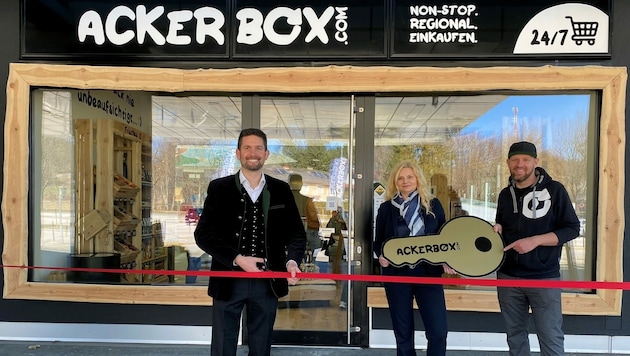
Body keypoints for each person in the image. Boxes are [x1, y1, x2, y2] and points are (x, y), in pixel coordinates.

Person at [194, 128, 306, 356]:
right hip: (227, 280)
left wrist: (292, 261)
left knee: (261, 346)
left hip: (267, 282)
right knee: (223, 346)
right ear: (238, 153)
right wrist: (236, 259)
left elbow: (296, 233)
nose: (252, 153)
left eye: (258, 148)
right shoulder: (219, 188)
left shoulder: (281, 190)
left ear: (266, 154)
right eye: (247, 148)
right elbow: (203, 234)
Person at [493, 141, 580, 356]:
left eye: (525, 159)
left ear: (535, 162)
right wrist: (497, 229)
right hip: (508, 277)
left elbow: (572, 228)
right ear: (508, 163)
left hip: (544, 278)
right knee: (515, 337)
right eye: (515, 160)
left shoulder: (555, 190)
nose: (519, 164)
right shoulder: (505, 194)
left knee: (550, 337)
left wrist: (535, 240)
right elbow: (502, 225)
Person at [373, 160, 457, 356]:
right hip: (396, 275)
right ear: (395, 181)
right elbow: (378, 242)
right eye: (400, 178)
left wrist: (446, 259)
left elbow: (444, 238)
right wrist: (382, 256)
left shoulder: (433, 205)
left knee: (438, 331)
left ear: (417, 179)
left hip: (427, 273)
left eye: (409, 177)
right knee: (403, 333)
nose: (405, 181)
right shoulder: (386, 208)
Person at [288, 173, 321, 257]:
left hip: (292, 232)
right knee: (315, 254)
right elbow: (313, 217)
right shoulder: (308, 199)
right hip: (308, 231)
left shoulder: (283, 199)